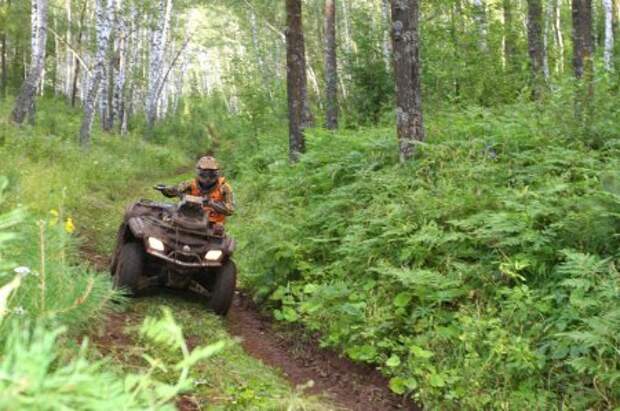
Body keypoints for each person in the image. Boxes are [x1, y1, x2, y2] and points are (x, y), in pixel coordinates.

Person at [161, 156, 234, 224]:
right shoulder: (190, 184)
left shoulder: (224, 188)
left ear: (217, 173)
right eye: (204, 172)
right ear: (199, 172)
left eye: (211, 173)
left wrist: (212, 204)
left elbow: (230, 210)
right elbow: (174, 191)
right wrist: (164, 189)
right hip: (188, 220)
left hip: (213, 225)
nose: (207, 177)